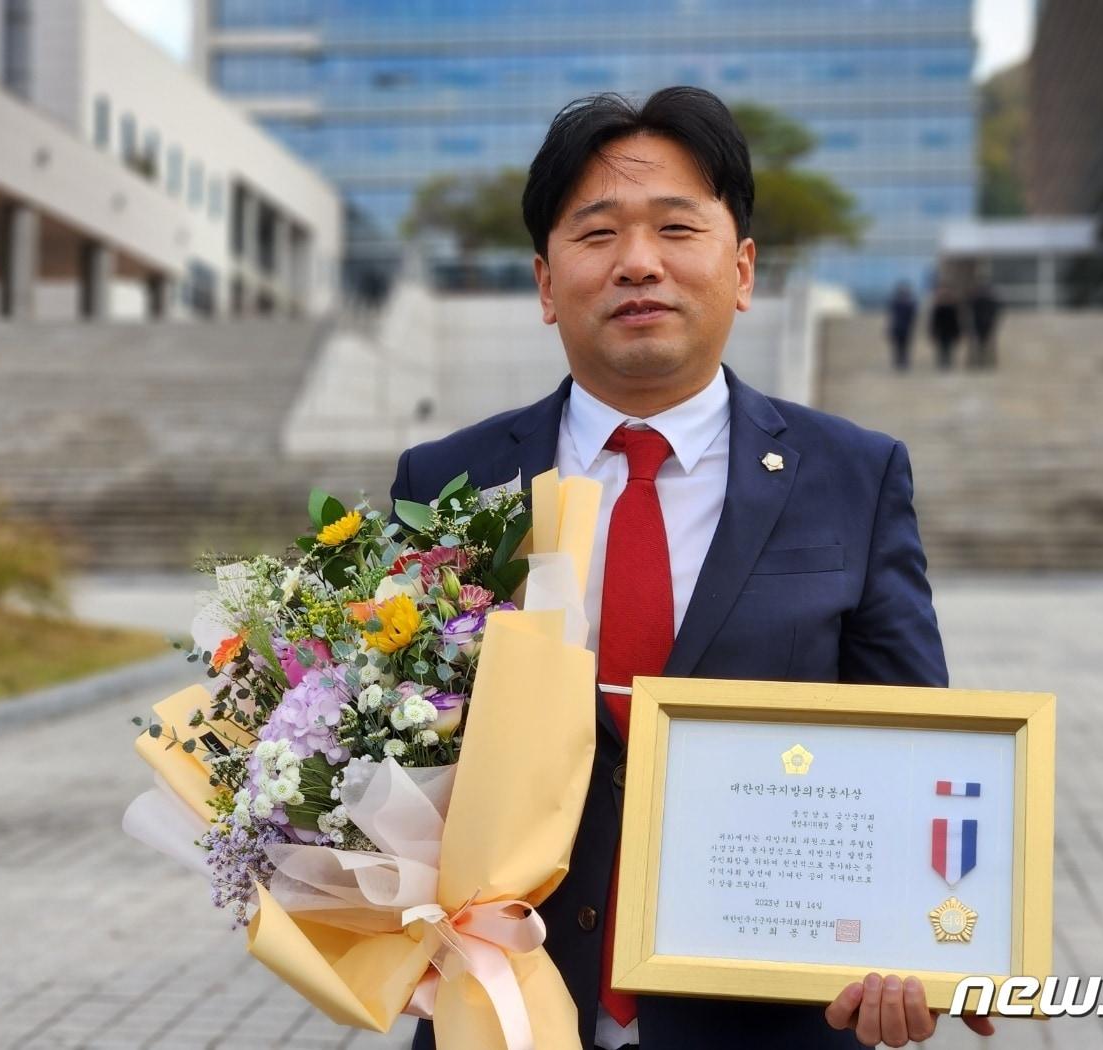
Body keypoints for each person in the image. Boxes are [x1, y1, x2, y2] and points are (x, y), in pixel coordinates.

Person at [392, 87, 993, 1050]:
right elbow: (396, 755)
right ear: (546, 284)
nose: (639, 263)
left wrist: (916, 947)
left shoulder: (855, 474)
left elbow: (910, 744)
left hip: (772, 1022)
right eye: (597, 235)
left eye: (678, 227)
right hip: (506, 1014)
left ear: (743, 268)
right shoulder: (449, 484)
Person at [927, 285, 961, 372]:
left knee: (948, 348)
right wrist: (933, 332)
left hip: (950, 331)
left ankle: (947, 363)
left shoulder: (953, 306)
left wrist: (957, 332)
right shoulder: (938, 306)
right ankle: (942, 363)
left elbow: (956, 321)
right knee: (941, 348)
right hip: (941, 331)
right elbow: (934, 321)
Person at [969, 280, 1001, 370]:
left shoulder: (991, 300)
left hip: (987, 324)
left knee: (987, 344)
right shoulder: (976, 299)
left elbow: (996, 311)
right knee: (978, 344)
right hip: (978, 324)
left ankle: (987, 361)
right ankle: (979, 361)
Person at [885, 282, 918, 371]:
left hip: (906, 328)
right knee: (898, 346)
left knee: (905, 346)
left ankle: (903, 361)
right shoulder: (895, 303)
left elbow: (913, 317)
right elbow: (891, 317)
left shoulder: (910, 304)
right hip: (897, 328)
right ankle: (899, 361)